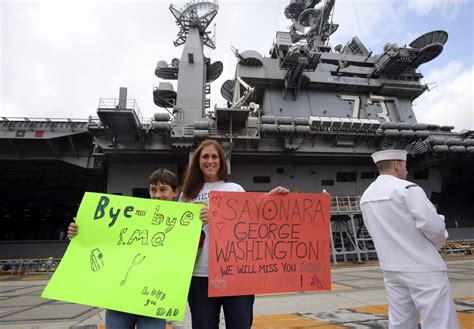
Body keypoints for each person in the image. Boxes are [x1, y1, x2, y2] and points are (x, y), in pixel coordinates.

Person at [179, 139, 288, 329]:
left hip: (236, 274)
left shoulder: (235, 189)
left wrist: (273, 199)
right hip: (200, 274)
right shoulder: (187, 195)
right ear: (198, 161)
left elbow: (252, 223)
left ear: (221, 162)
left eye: (215, 157)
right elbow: (179, 234)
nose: (210, 161)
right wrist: (196, 223)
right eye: (205, 157)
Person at [67, 168, 180, 329]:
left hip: (153, 299)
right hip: (120, 297)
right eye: (153, 190)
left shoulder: (183, 224)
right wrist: (79, 232)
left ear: (175, 192)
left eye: (163, 190)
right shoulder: (134, 215)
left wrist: (200, 226)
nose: (157, 195)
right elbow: (102, 238)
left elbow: (192, 252)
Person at [360, 149, 459, 329]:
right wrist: (436, 244)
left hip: (391, 268)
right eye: (405, 165)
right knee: (440, 321)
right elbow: (434, 227)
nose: (407, 170)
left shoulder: (366, 196)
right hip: (422, 267)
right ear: (397, 165)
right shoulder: (407, 189)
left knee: (400, 321)